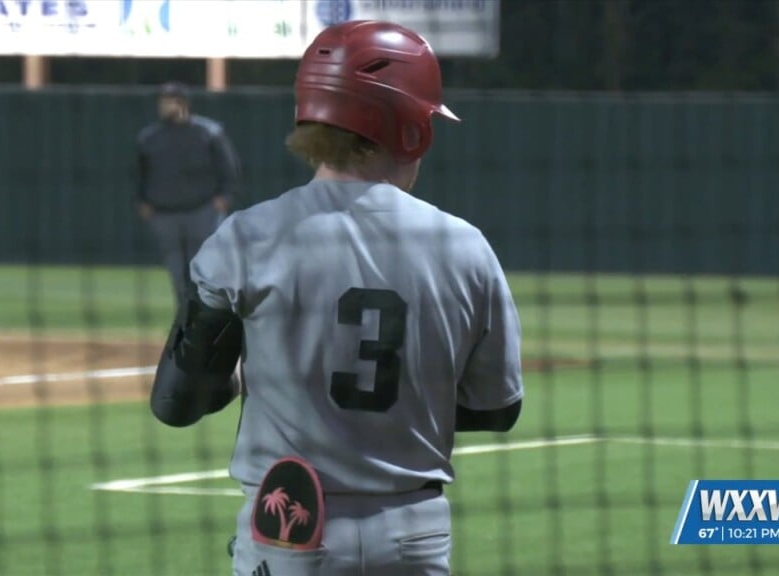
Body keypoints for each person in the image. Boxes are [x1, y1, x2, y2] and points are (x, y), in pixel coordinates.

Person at [150, 20, 523, 576]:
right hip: (414, 538)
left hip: (291, 532)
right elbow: (497, 409)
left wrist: (263, 385)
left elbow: (176, 404)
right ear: (410, 130)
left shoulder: (249, 237)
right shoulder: (463, 246)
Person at [136, 82, 241, 308]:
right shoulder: (150, 137)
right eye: (161, 101)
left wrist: (224, 197)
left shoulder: (209, 132)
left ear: (182, 103)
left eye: (168, 101)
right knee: (176, 270)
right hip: (165, 214)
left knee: (205, 268)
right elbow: (140, 173)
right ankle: (184, 316)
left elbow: (229, 168)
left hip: (202, 211)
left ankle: (208, 315)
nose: (163, 106)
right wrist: (143, 201)